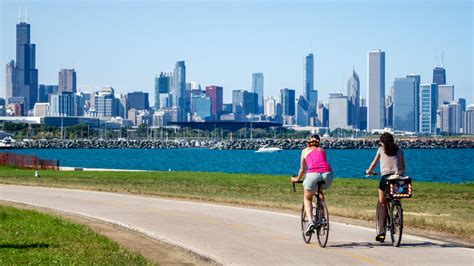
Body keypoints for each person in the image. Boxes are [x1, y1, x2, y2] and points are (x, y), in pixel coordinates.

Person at [366, 132, 405, 242]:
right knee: (397, 194)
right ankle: (397, 213)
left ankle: (382, 230)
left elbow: (373, 164)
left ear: (382, 142)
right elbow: (403, 165)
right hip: (398, 177)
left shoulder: (381, 150)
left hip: (386, 178)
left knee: (382, 202)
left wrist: (369, 172)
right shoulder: (400, 150)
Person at [291, 134, 333, 236]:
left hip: (313, 174)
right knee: (320, 192)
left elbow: (302, 170)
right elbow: (322, 163)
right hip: (328, 174)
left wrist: (296, 179)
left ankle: (310, 222)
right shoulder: (323, 150)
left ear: (308, 142)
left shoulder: (305, 151)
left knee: (307, 198)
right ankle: (322, 216)